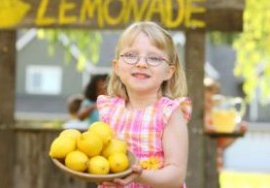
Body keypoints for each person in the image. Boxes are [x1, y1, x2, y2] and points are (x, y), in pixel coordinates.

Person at [97, 21, 192, 188]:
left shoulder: (169, 113)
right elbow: (102, 159)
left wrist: (139, 176)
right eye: (131, 55)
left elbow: (176, 175)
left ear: (169, 71)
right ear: (117, 67)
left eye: (154, 58)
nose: (141, 63)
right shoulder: (109, 110)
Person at [204, 77, 247, 171]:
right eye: (207, 100)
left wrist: (236, 133)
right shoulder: (196, 118)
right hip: (200, 162)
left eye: (212, 101)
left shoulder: (216, 118)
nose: (209, 104)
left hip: (214, 164)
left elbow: (222, 143)